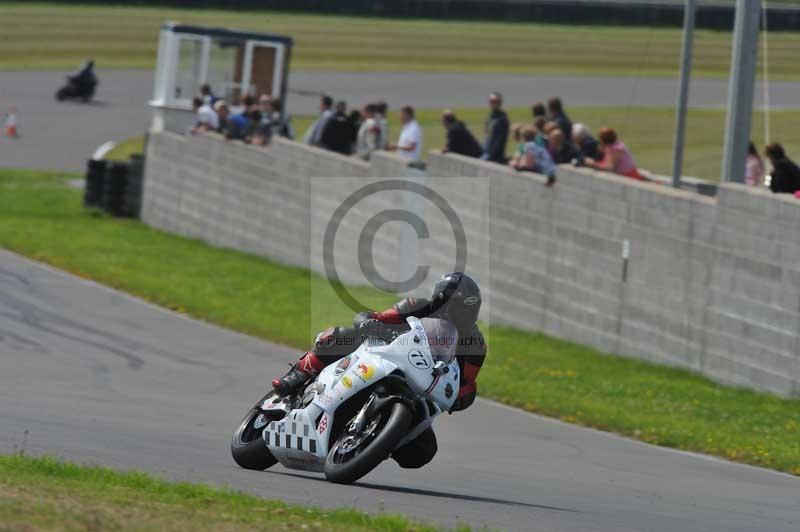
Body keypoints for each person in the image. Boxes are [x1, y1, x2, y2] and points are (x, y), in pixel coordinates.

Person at [271, 273, 487, 469]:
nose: (465, 315)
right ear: (443, 301)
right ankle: (297, 375)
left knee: (423, 451)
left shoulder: (475, 344)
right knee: (341, 335)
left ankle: (376, 439)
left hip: (421, 387)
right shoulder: (417, 305)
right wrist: (370, 323)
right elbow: (378, 317)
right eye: (460, 308)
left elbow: (467, 383)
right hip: (384, 356)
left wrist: (461, 398)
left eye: (470, 309)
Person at [482, 92, 509, 164]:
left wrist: (490, 156)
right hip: (486, 153)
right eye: (491, 101)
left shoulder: (502, 119)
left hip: (494, 157)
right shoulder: (490, 117)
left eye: (495, 102)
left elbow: (499, 141)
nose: (493, 104)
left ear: (500, 103)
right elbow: (486, 135)